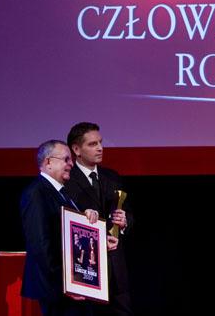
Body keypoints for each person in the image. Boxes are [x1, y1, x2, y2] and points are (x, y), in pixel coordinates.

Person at [20, 139, 118, 316]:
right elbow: (40, 245)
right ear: (48, 162)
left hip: (70, 287)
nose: (71, 164)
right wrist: (65, 284)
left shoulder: (62, 193)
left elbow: (70, 237)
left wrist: (99, 241)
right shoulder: (37, 193)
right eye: (66, 159)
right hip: (56, 289)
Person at [63, 122, 133, 316]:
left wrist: (124, 222)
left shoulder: (112, 177)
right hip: (86, 270)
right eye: (93, 144)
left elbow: (128, 214)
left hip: (116, 272)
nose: (100, 148)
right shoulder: (67, 181)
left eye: (100, 142)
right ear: (76, 149)